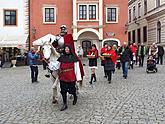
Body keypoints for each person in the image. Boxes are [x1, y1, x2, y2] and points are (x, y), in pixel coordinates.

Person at [57, 45, 82, 111]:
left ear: (70, 49)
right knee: (63, 90)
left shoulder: (74, 57)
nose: (66, 50)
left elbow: (77, 68)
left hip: (71, 76)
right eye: (65, 49)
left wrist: (78, 77)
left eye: (68, 48)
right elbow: (57, 66)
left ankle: (75, 96)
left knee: (71, 90)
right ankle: (65, 103)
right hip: (63, 76)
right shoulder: (61, 57)